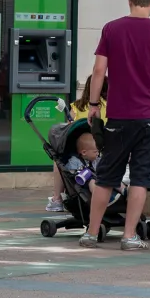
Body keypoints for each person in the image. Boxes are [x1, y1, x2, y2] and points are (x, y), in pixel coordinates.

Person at [82, 0, 150, 251]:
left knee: (106, 176)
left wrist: (94, 104)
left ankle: (91, 233)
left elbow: (98, 70)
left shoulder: (111, 29)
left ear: (129, 0)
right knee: (140, 177)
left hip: (118, 116)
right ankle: (129, 236)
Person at [48, 75, 109, 212]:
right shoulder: (109, 106)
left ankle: (57, 198)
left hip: (79, 150)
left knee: (59, 162)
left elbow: (69, 129)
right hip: (103, 149)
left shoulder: (77, 106)